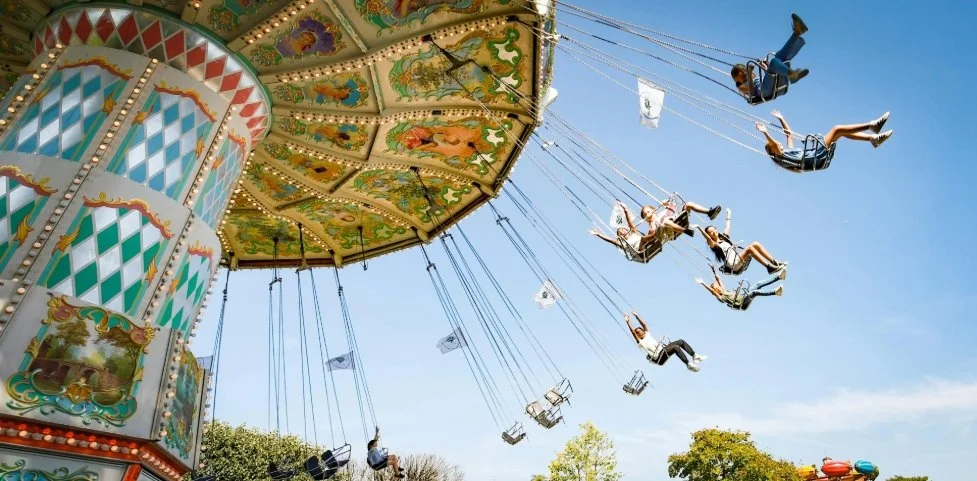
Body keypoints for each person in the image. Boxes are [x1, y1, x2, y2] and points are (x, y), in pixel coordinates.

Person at [758, 110, 893, 172]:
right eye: (776, 146)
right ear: (773, 151)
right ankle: (872, 126)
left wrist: (781, 118)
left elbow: (789, 135)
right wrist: (765, 133)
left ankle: (873, 139)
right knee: (837, 129)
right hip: (816, 156)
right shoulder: (782, 157)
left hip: (817, 158)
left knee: (841, 133)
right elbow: (774, 144)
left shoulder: (788, 152)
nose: (779, 144)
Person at [731, 13, 810, 102]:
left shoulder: (753, 77)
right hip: (765, 92)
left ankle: (797, 32)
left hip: (771, 86)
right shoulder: (741, 87)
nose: (745, 76)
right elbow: (752, 90)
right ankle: (792, 75)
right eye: (743, 77)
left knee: (779, 56)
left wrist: (766, 66)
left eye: (745, 73)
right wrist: (749, 74)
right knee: (774, 61)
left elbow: (767, 77)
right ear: (736, 80)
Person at [696, 208, 786, 275]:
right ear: (709, 235)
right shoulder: (714, 245)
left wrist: (728, 215)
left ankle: (774, 262)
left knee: (756, 244)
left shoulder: (724, 238)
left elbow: (727, 227)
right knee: (750, 248)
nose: (714, 232)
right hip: (733, 265)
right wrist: (699, 228)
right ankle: (769, 267)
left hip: (738, 259)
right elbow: (707, 238)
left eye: (714, 229)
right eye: (711, 232)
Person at [625, 312, 705, 372]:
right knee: (675, 347)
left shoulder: (647, 334)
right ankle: (688, 364)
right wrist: (628, 322)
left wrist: (636, 316)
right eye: (637, 333)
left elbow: (644, 325)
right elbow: (633, 333)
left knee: (681, 341)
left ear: (643, 331)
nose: (638, 334)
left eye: (639, 331)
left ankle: (695, 355)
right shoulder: (640, 342)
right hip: (658, 357)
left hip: (663, 351)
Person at [697, 264, 786, 311]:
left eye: (718, 287)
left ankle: (778, 277)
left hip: (744, 297)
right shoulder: (721, 297)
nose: (719, 288)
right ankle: (775, 292)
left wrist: (714, 270)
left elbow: (719, 279)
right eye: (717, 288)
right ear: (715, 290)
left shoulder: (724, 290)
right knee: (755, 292)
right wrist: (703, 283)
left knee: (759, 284)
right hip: (742, 304)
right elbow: (712, 292)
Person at [639, 197, 721, 238]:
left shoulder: (662, 212)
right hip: (670, 231)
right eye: (646, 215)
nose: (648, 214)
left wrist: (666, 203)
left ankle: (710, 212)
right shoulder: (653, 223)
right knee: (665, 222)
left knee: (688, 204)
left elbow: (672, 208)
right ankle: (686, 231)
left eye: (648, 211)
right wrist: (651, 224)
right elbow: (652, 233)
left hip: (678, 220)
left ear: (653, 210)